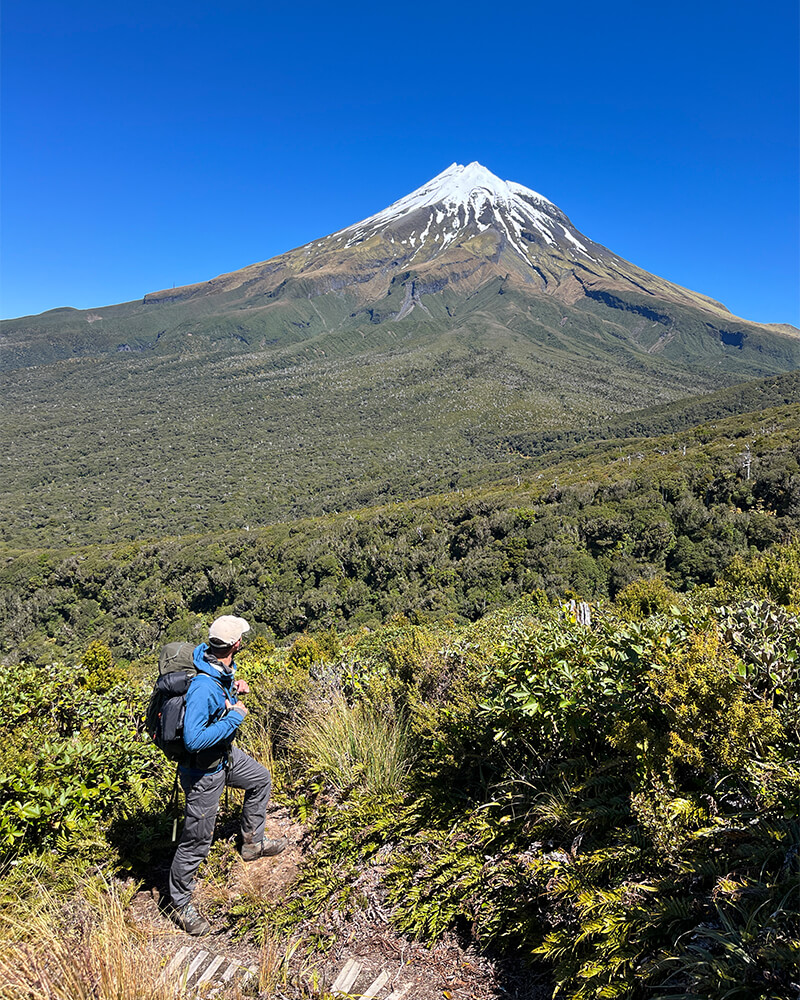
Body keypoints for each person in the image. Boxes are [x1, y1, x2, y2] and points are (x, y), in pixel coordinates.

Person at [169, 615, 287, 935]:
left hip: (224, 756)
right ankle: (179, 904)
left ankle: (252, 844)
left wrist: (234, 692)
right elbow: (193, 738)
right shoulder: (205, 684)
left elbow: (215, 705)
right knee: (197, 841)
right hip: (203, 772)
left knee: (260, 779)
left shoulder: (216, 667)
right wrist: (235, 718)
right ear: (235, 644)